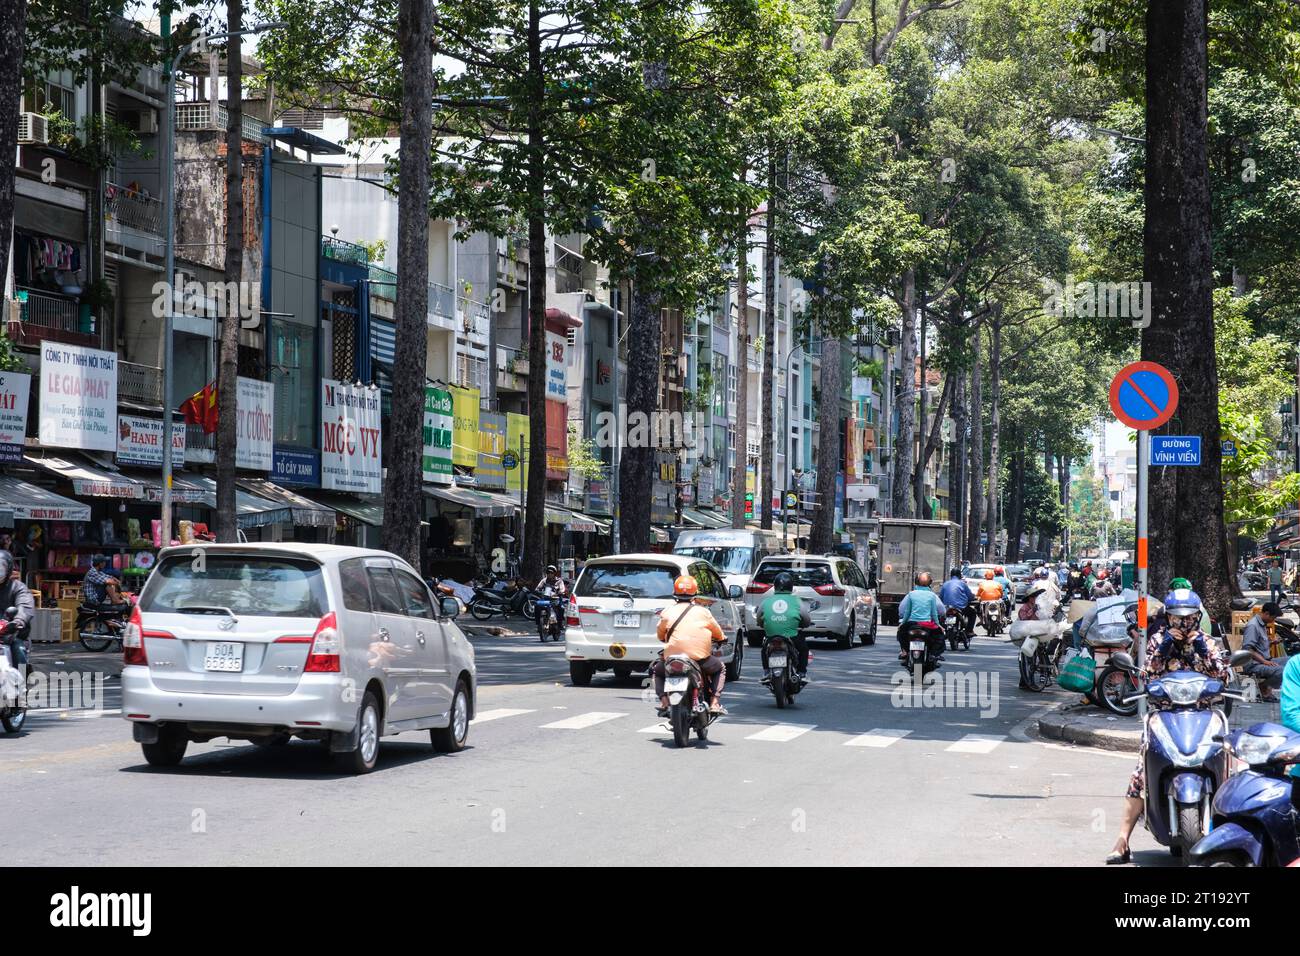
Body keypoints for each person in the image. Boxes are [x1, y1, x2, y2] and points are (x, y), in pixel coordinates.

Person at [1107, 588, 1228, 864]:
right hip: (1165, 714)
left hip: (1202, 713)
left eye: (1188, 618)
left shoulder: (1207, 642)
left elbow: (1223, 675)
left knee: (1229, 762)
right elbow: (1147, 675)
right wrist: (1163, 648)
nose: (1183, 623)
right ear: (1169, 618)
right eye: (1177, 618)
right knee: (1141, 773)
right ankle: (1122, 839)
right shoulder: (1157, 640)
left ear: (1197, 617)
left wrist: (1199, 647)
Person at [653, 575, 726, 715]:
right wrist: (722, 638)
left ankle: (664, 701)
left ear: (675, 593)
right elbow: (718, 632)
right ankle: (715, 703)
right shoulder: (704, 612)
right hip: (699, 658)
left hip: (672, 658)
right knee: (720, 668)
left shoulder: (667, 611)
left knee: (658, 670)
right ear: (695, 594)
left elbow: (660, 635)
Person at [756, 571, 811, 681]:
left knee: (764, 650)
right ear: (791, 587)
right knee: (804, 649)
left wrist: (763, 625)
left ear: (775, 586)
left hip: (771, 636)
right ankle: (801, 672)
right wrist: (803, 624)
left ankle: (766, 672)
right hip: (792, 637)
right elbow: (806, 620)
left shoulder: (766, 601)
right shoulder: (796, 600)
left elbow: (759, 618)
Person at [1240, 602, 1289, 699]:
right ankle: (1264, 686)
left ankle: (1267, 685)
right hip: (1254, 664)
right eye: (1273, 617)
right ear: (1266, 613)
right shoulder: (1253, 626)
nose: (1273, 620)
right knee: (1282, 671)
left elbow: (1258, 645)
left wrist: (1271, 642)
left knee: (1293, 662)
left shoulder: (1262, 624)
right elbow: (1248, 649)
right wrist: (1264, 662)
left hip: (1266, 660)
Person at [897, 571, 946, 663]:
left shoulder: (911, 594)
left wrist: (902, 623)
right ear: (930, 583)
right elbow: (934, 613)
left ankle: (905, 652)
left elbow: (907, 612)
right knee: (939, 637)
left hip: (911, 624)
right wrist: (938, 625)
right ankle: (933, 654)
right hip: (927, 624)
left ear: (916, 581)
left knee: (901, 634)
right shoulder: (932, 595)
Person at [0, 550, 34, 670]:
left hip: (12, 634)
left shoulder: (18, 587)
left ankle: (21, 684)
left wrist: (19, 620)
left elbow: (24, 605)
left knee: (18, 650)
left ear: (8, 569)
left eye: (1, 568)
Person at [939, 566, 977, 636]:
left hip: (947, 608)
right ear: (959, 575)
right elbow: (970, 596)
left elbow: (940, 597)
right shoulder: (962, 584)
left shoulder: (945, 584)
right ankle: (969, 631)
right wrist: (973, 598)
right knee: (973, 613)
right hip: (961, 608)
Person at [534, 564, 568, 634]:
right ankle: (538, 625)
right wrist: (538, 590)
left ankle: (560, 624)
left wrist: (560, 592)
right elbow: (537, 588)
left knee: (561, 608)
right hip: (545, 599)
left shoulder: (559, 581)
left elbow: (562, 589)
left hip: (556, 599)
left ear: (554, 573)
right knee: (537, 606)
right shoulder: (544, 580)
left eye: (551, 573)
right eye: (548, 572)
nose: (550, 574)